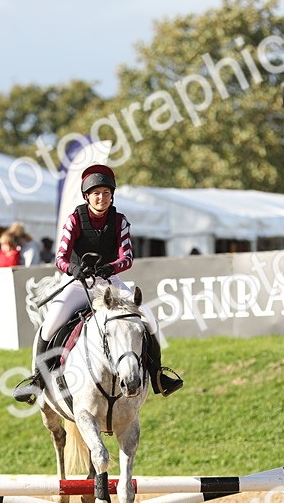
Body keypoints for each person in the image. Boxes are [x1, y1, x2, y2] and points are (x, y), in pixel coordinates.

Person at [12, 164, 183, 403]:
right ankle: (37, 381)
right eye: (96, 193)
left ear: (111, 195)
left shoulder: (120, 221)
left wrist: (110, 268)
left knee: (148, 318)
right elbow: (60, 257)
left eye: (105, 193)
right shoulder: (74, 219)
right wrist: (74, 268)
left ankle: (157, 376)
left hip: (109, 281)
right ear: (86, 197)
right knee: (50, 324)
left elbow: (128, 257)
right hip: (77, 281)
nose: (101, 198)